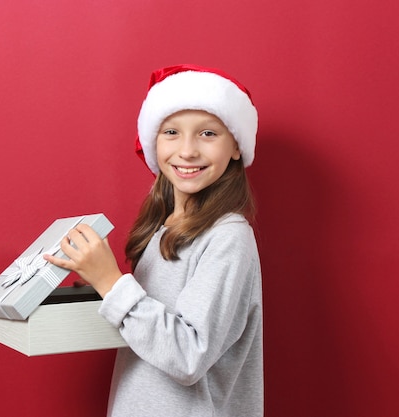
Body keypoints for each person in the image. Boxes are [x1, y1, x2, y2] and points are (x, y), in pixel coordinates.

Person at [44, 64, 263, 417]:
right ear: (153, 142)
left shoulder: (229, 237)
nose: (187, 151)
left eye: (208, 134)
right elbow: (153, 328)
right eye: (172, 132)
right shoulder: (162, 228)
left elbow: (189, 356)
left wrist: (112, 283)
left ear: (236, 146)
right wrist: (99, 287)